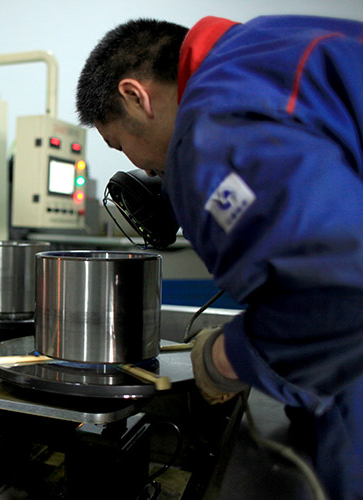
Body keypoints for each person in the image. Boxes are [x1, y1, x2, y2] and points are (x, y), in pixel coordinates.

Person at [76, 15, 363, 500]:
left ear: (136, 96)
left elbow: (335, 300)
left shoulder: (213, 128)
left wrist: (224, 359)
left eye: (120, 144)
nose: (139, 167)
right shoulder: (265, 48)